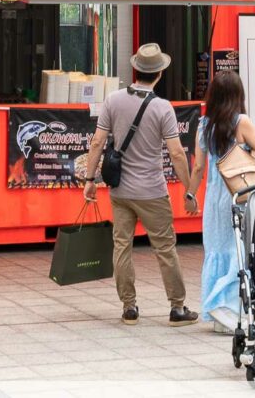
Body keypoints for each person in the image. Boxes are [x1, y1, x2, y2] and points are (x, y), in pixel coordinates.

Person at [83, 43, 199, 327]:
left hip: (120, 190)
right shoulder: (163, 108)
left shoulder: (113, 100)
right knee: (165, 248)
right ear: (159, 73)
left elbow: (97, 142)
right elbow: (175, 153)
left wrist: (89, 180)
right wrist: (189, 189)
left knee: (122, 246)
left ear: (136, 69)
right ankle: (177, 308)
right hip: (152, 192)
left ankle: (129, 307)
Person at [188, 71, 255, 333]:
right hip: (238, 195)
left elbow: (199, 167)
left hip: (214, 198)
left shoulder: (204, 124)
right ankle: (226, 309)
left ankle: (219, 315)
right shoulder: (242, 122)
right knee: (238, 251)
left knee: (216, 251)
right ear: (238, 95)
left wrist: (190, 195)